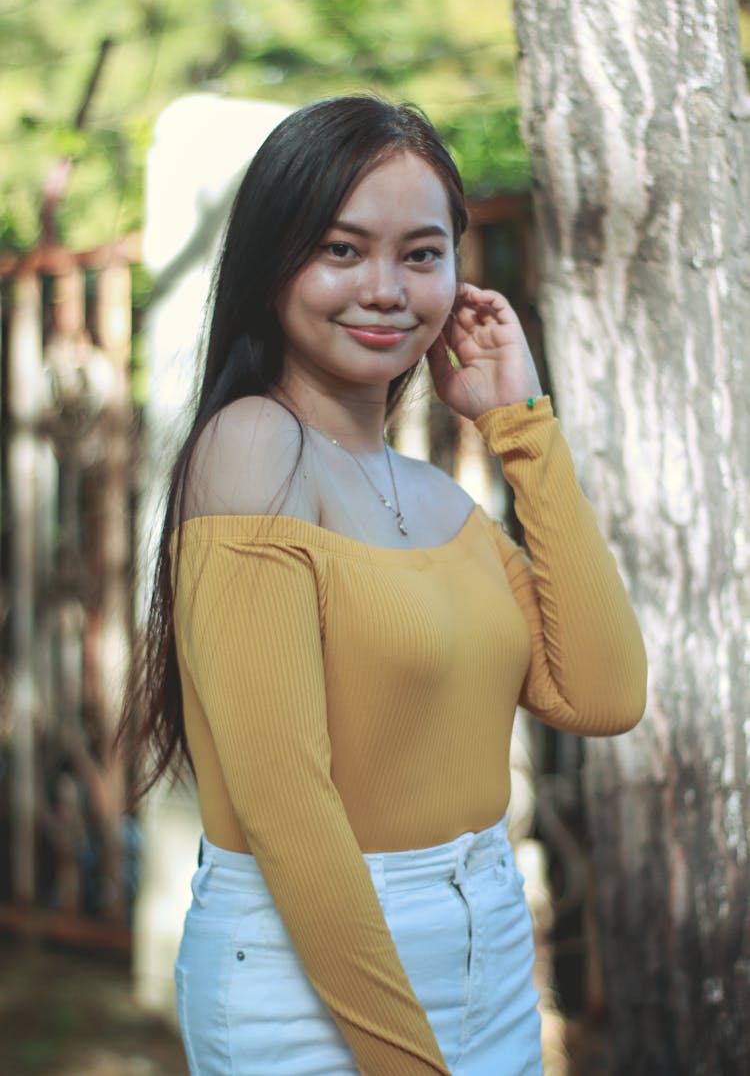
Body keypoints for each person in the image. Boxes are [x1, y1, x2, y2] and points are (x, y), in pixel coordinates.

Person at [120, 94, 647, 1076]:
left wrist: (522, 426)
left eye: (420, 254)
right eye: (341, 249)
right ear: (272, 262)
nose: (386, 289)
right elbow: (286, 805)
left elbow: (606, 696)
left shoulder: (438, 500)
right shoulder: (251, 449)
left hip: (488, 949)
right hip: (306, 975)